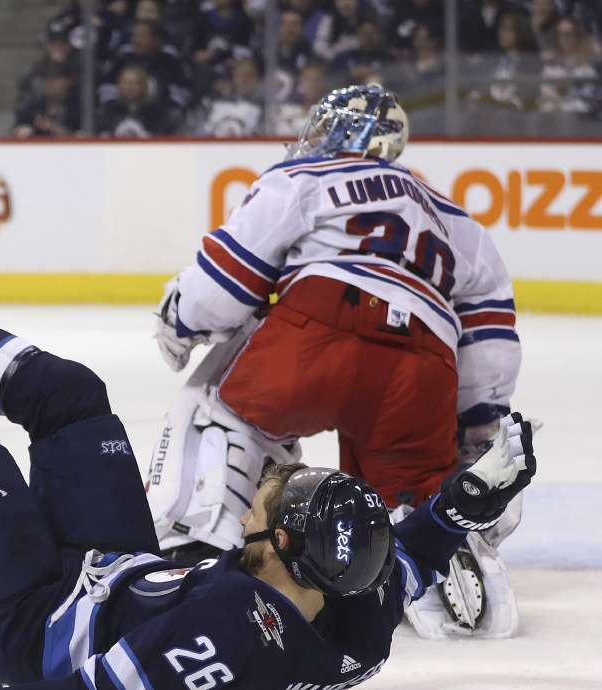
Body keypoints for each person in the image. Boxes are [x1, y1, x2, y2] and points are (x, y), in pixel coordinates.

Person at [0, 197, 537, 690]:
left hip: (33, 624)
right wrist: (471, 500)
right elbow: (404, 559)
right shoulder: (348, 608)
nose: (280, 472)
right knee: (74, 400)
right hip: (117, 570)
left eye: (285, 491)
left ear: (278, 541)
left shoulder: (229, 632)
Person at [148, 85, 524, 639]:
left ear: (345, 134)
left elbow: (229, 280)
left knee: (219, 413)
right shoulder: (457, 220)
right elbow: (489, 334)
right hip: (426, 361)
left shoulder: (306, 176)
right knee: (407, 487)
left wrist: (181, 318)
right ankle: (451, 574)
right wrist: (477, 428)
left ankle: (201, 547)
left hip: (323, 326)